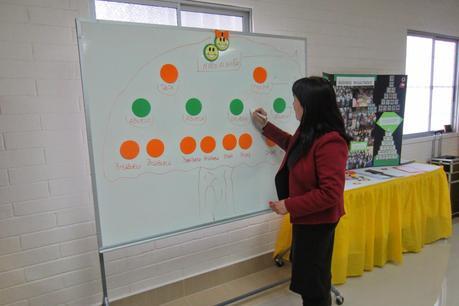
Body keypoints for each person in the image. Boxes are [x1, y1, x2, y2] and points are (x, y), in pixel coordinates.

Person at [251, 77, 350, 306]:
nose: (292, 104)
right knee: (308, 278)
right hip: (306, 219)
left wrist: (288, 205)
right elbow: (292, 145)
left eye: (295, 99)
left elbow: (330, 194)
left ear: (309, 104)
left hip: (319, 222)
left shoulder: (331, 141)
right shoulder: (309, 131)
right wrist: (266, 126)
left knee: (314, 284)